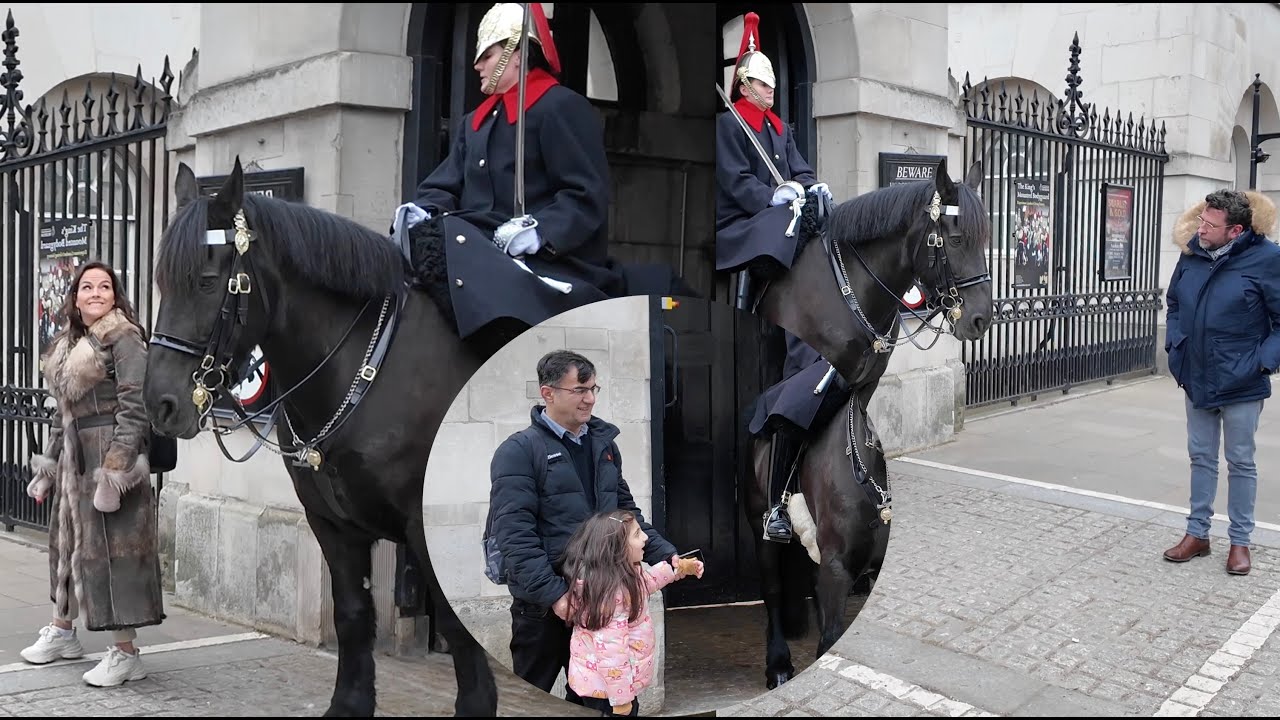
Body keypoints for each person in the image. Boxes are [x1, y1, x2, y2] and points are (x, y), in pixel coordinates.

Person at [393, 2, 625, 343]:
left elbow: (585, 194)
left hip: (545, 260)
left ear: (517, 54)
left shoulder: (560, 107)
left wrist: (540, 232)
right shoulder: (474, 123)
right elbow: (445, 185)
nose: (477, 65)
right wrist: (423, 209)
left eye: (487, 55)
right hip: (479, 252)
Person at [487, 349, 682, 706]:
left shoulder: (604, 445)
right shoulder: (518, 451)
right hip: (545, 610)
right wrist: (555, 596)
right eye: (579, 389)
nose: (590, 398)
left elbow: (626, 513)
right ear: (548, 393)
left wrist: (665, 554)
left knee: (608, 703)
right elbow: (514, 535)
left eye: (593, 389)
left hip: (601, 603)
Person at [715, 11, 846, 543]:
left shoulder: (779, 128)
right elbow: (734, 181)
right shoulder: (730, 124)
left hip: (777, 211)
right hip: (742, 219)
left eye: (772, 84)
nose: (771, 91)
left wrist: (810, 186)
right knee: (781, 223)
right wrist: (773, 194)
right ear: (744, 84)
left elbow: (801, 167)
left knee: (813, 215)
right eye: (762, 83)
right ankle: (764, 286)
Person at [21, 260, 166, 686]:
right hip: (75, 458)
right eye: (87, 287)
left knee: (111, 554)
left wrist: (116, 471)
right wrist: (49, 467)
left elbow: (135, 407)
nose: (96, 293)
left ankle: (126, 653)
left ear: (115, 295)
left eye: (105, 286)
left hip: (109, 456)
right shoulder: (69, 343)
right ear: (76, 297)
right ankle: (63, 631)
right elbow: (62, 413)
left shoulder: (124, 336)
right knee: (67, 546)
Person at [1162, 189, 1280, 576]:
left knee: (1241, 461)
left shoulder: (1267, 259)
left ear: (1235, 231)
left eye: (1210, 225)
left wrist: (1262, 364)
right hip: (1196, 374)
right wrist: (1176, 344)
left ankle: (1240, 541)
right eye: (1201, 220)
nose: (1201, 229)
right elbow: (1174, 303)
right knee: (1201, 457)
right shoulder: (1192, 254)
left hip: (1242, 380)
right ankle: (1197, 534)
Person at [561, 510, 704, 717]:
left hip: (604, 686)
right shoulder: (611, 596)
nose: (645, 537)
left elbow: (644, 584)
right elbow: (612, 652)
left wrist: (677, 569)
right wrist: (621, 701)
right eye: (637, 534)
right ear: (617, 548)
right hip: (609, 693)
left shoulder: (617, 577)